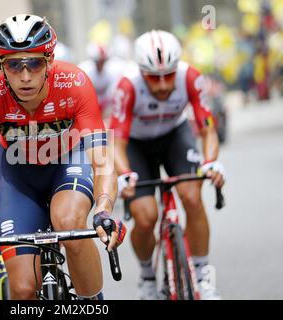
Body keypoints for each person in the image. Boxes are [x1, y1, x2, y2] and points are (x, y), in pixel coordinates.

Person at [0, 14, 126, 300]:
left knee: (68, 220)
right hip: (18, 176)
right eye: (14, 65)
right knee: (22, 289)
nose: (25, 76)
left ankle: (90, 303)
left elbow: (101, 160)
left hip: (68, 164)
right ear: (0, 66)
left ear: (49, 60)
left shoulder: (74, 82)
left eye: (34, 63)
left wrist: (104, 209)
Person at [110, 30, 226, 300]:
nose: (162, 85)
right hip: (137, 145)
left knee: (192, 197)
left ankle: (202, 274)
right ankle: (147, 277)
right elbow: (116, 142)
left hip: (175, 136)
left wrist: (211, 163)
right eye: (153, 77)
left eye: (168, 76)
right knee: (145, 215)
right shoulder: (127, 86)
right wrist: (125, 174)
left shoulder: (191, 77)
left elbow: (208, 127)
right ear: (141, 72)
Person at [78, 42, 125, 127]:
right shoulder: (84, 70)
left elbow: (114, 91)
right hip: (90, 103)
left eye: (103, 61)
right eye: (98, 61)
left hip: (107, 103)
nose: (101, 64)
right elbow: (82, 94)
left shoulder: (114, 69)